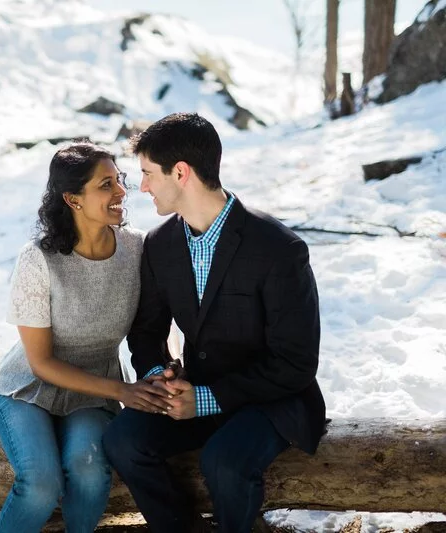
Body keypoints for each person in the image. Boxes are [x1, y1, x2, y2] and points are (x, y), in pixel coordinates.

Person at [102, 113, 326, 533]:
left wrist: (204, 399)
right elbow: (147, 331)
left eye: (149, 174)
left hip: (274, 399)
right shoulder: (160, 244)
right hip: (196, 389)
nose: (143, 186)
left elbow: (295, 363)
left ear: (181, 173)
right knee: (122, 439)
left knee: (223, 460)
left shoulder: (279, 249)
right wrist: (160, 378)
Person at [0, 142, 173, 533]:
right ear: (73, 198)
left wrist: (165, 371)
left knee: (89, 471)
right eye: (106, 184)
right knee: (40, 484)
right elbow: (41, 362)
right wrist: (123, 392)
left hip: (96, 390)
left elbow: (155, 324)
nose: (122, 191)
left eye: (119, 180)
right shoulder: (38, 258)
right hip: (27, 387)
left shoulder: (138, 249)